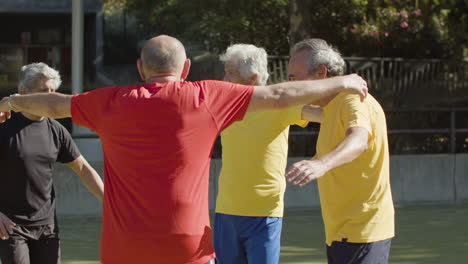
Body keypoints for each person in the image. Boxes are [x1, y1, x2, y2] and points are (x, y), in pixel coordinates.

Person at [0, 35, 368, 264]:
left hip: (123, 249)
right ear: (186, 67)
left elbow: (52, 104)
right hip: (187, 248)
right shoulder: (206, 96)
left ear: (140, 68)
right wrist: (344, 79)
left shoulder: (108, 102)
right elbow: (278, 94)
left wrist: (11, 101)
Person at [285, 38, 394, 264]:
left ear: (321, 73)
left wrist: (321, 164)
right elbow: (287, 105)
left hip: (363, 230)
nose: (292, 84)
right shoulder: (332, 105)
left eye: (295, 77)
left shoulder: (352, 99)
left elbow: (359, 139)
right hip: (340, 232)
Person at [214, 44, 321, 264]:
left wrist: (356, 108)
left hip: (264, 213)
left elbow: (324, 114)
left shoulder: (280, 104)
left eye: (230, 73)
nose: (224, 78)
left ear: (252, 78)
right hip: (226, 212)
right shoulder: (222, 105)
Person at [0, 63, 104, 264]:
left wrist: (110, 203)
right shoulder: (4, 127)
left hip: (47, 227)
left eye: (53, 92)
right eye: (43, 92)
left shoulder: (56, 130)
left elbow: (83, 169)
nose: (49, 98)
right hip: (11, 227)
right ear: (23, 92)